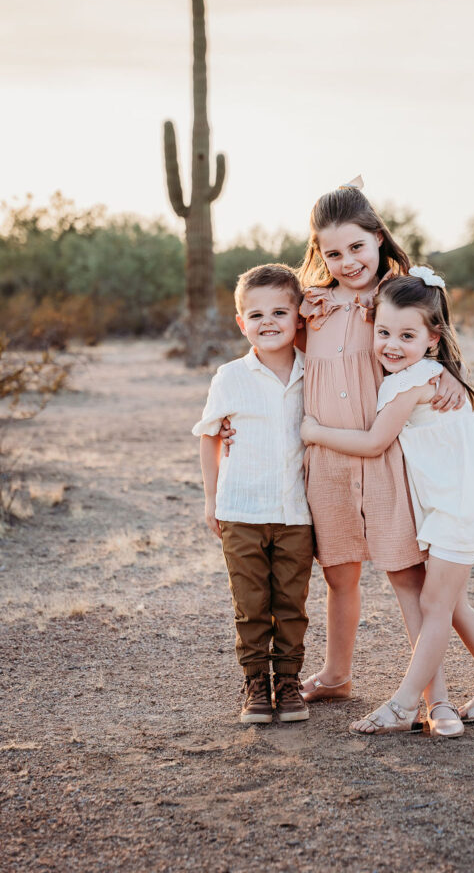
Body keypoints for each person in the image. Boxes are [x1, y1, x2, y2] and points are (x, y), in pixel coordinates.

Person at [301, 267, 474, 736]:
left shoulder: (411, 381)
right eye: (382, 333)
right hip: (458, 499)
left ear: (433, 338)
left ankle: (403, 706)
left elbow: (375, 442)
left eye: (406, 334)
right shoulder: (430, 374)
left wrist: (316, 431)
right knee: (455, 604)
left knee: (436, 605)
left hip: (452, 505)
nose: (390, 345)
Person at [293, 178, 466, 725]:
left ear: (378, 238)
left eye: (357, 247)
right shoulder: (312, 308)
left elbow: (429, 340)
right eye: (333, 252)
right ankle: (337, 675)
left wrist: (452, 378)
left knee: (405, 578)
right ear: (319, 254)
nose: (347, 261)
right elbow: (275, 356)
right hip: (327, 465)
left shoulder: (394, 297)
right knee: (338, 574)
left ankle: (434, 698)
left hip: (387, 460)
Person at [192, 264, 314, 725]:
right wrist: (211, 499)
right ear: (241, 322)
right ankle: (255, 685)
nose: (268, 322)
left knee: (290, 604)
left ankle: (288, 682)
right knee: (250, 604)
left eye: (280, 311)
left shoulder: (313, 373)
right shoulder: (230, 377)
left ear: (299, 316)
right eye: (256, 314)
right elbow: (209, 435)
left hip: (296, 512)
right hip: (241, 508)